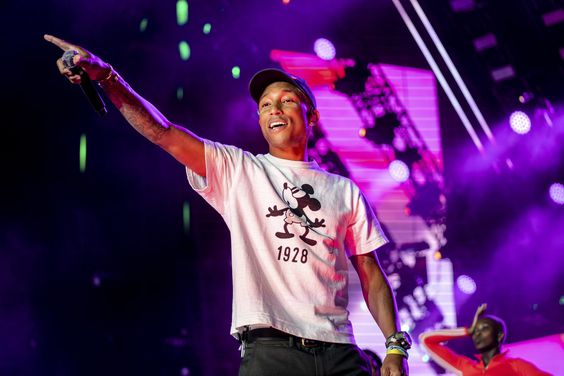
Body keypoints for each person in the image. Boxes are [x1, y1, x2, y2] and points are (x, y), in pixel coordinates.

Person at [45, 34, 410, 376]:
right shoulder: (239, 168)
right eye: (265, 105)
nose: (273, 109)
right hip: (271, 351)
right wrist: (107, 76)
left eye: (285, 100)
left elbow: (370, 272)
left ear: (311, 116)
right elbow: (162, 131)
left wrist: (394, 346)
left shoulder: (343, 190)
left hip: (339, 352)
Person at [419, 303, 552, 375]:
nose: (477, 334)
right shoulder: (466, 368)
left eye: (484, 329)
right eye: (476, 331)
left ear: (499, 335)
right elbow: (426, 340)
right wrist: (467, 330)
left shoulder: (517, 366)